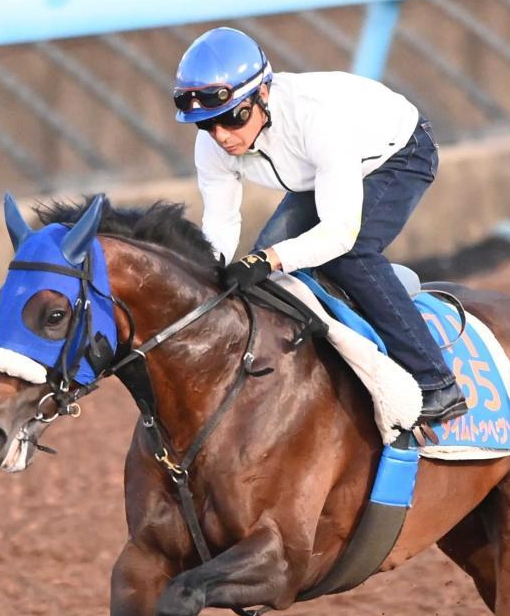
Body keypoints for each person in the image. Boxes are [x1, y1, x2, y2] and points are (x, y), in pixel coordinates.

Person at [173, 27, 466, 425]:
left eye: (231, 118)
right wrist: (212, 272)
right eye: (207, 124)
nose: (221, 135)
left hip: (399, 153)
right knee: (265, 283)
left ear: (262, 94)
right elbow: (221, 224)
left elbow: (340, 233)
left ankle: (437, 383)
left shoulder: (315, 118)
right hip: (320, 175)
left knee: (350, 255)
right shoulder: (213, 144)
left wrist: (269, 257)